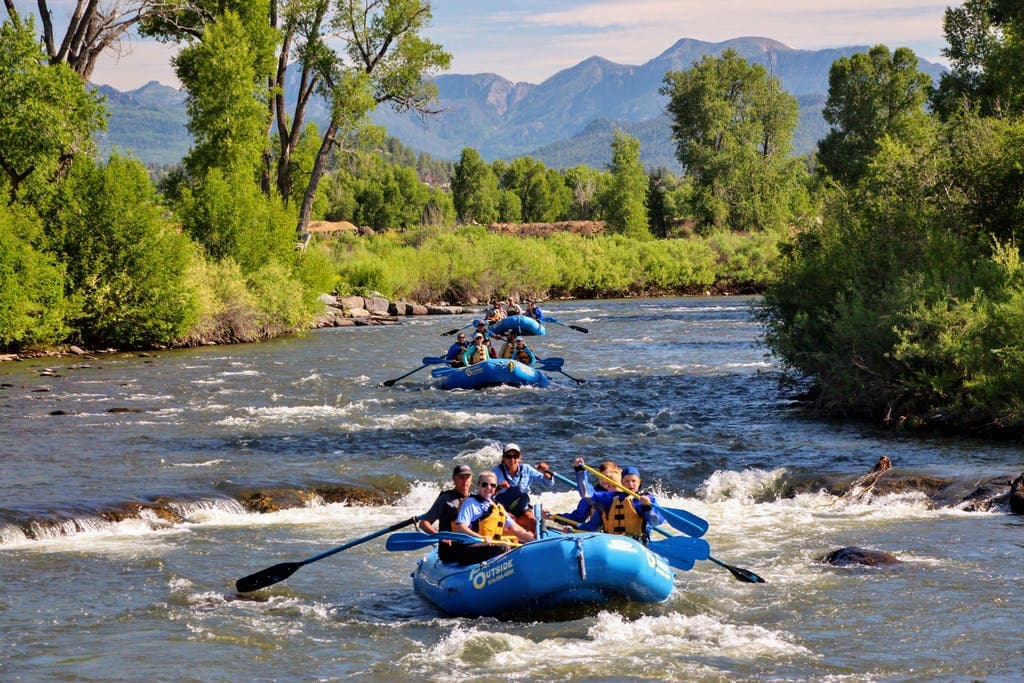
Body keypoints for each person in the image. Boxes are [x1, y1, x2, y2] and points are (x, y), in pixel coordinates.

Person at [451, 471, 534, 564]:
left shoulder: (498, 507)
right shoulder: (470, 503)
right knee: (503, 547)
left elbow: (516, 529)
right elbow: (461, 528)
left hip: (490, 546)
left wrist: (534, 542)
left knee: (523, 546)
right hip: (469, 548)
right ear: (478, 485)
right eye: (484, 484)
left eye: (493, 485)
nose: (488, 488)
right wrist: (482, 538)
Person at [575, 460, 664, 545]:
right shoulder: (609, 498)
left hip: (636, 543)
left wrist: (647, 507)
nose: (631, 484)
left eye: (633, 481)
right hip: (612, 541)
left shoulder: (646, 499)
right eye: (627, 481)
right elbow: (587, 495)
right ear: (622, 483)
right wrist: (580, 472)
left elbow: (656, 522)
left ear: (639, 482)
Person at [492, 442, 553, 529]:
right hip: (503, 510)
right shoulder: (495, 471)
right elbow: (487, 493)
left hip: (522, 509)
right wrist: (498, 488)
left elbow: (548, 483)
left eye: (515, 456)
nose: (512, 460)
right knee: (509, 525)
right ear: (503, 458)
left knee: (533, 523)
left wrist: (545, 472)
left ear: (520, 458)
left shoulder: (527, 469)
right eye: (508, 456)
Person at [419, 465, 474, 562]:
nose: (465, 480)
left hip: (469, 544)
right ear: (454, 479)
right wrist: (441, 536)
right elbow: (424, 523)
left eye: (467, 477)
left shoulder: (474, 499)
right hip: (449, 548)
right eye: (461, 477)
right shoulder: (445, 499)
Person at [550, 459, 622, 527]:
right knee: (593, 505)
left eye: (607, 477)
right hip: (600, 528)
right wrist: (556, 517)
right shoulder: (595, 496)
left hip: (624, 531)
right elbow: (578, 516)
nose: (604, 481)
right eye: (601, 477)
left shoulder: (627, 492)